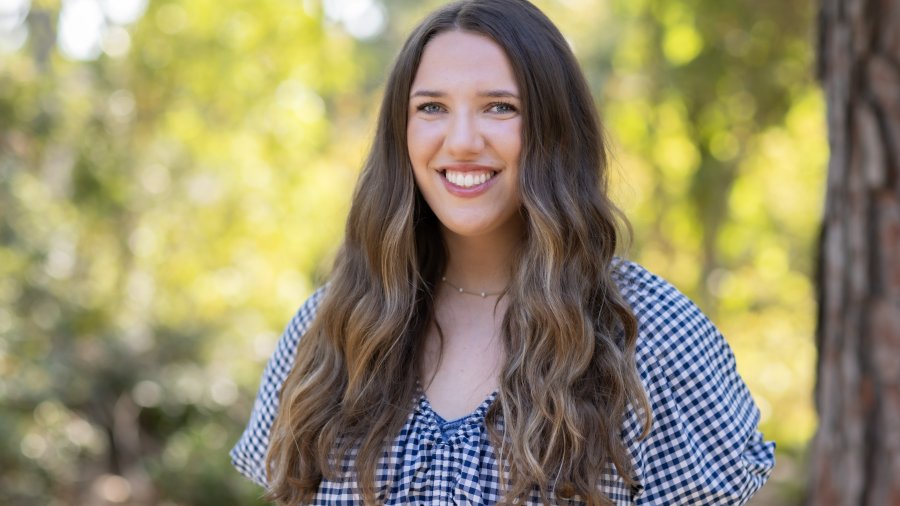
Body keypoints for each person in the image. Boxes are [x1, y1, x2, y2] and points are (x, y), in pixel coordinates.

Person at [230, 0, 776, 504]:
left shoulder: (647, 334)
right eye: (432, 107)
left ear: (554, 128)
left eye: (499, 107)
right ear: (401, 132)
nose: (462, 140)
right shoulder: (329, 328)